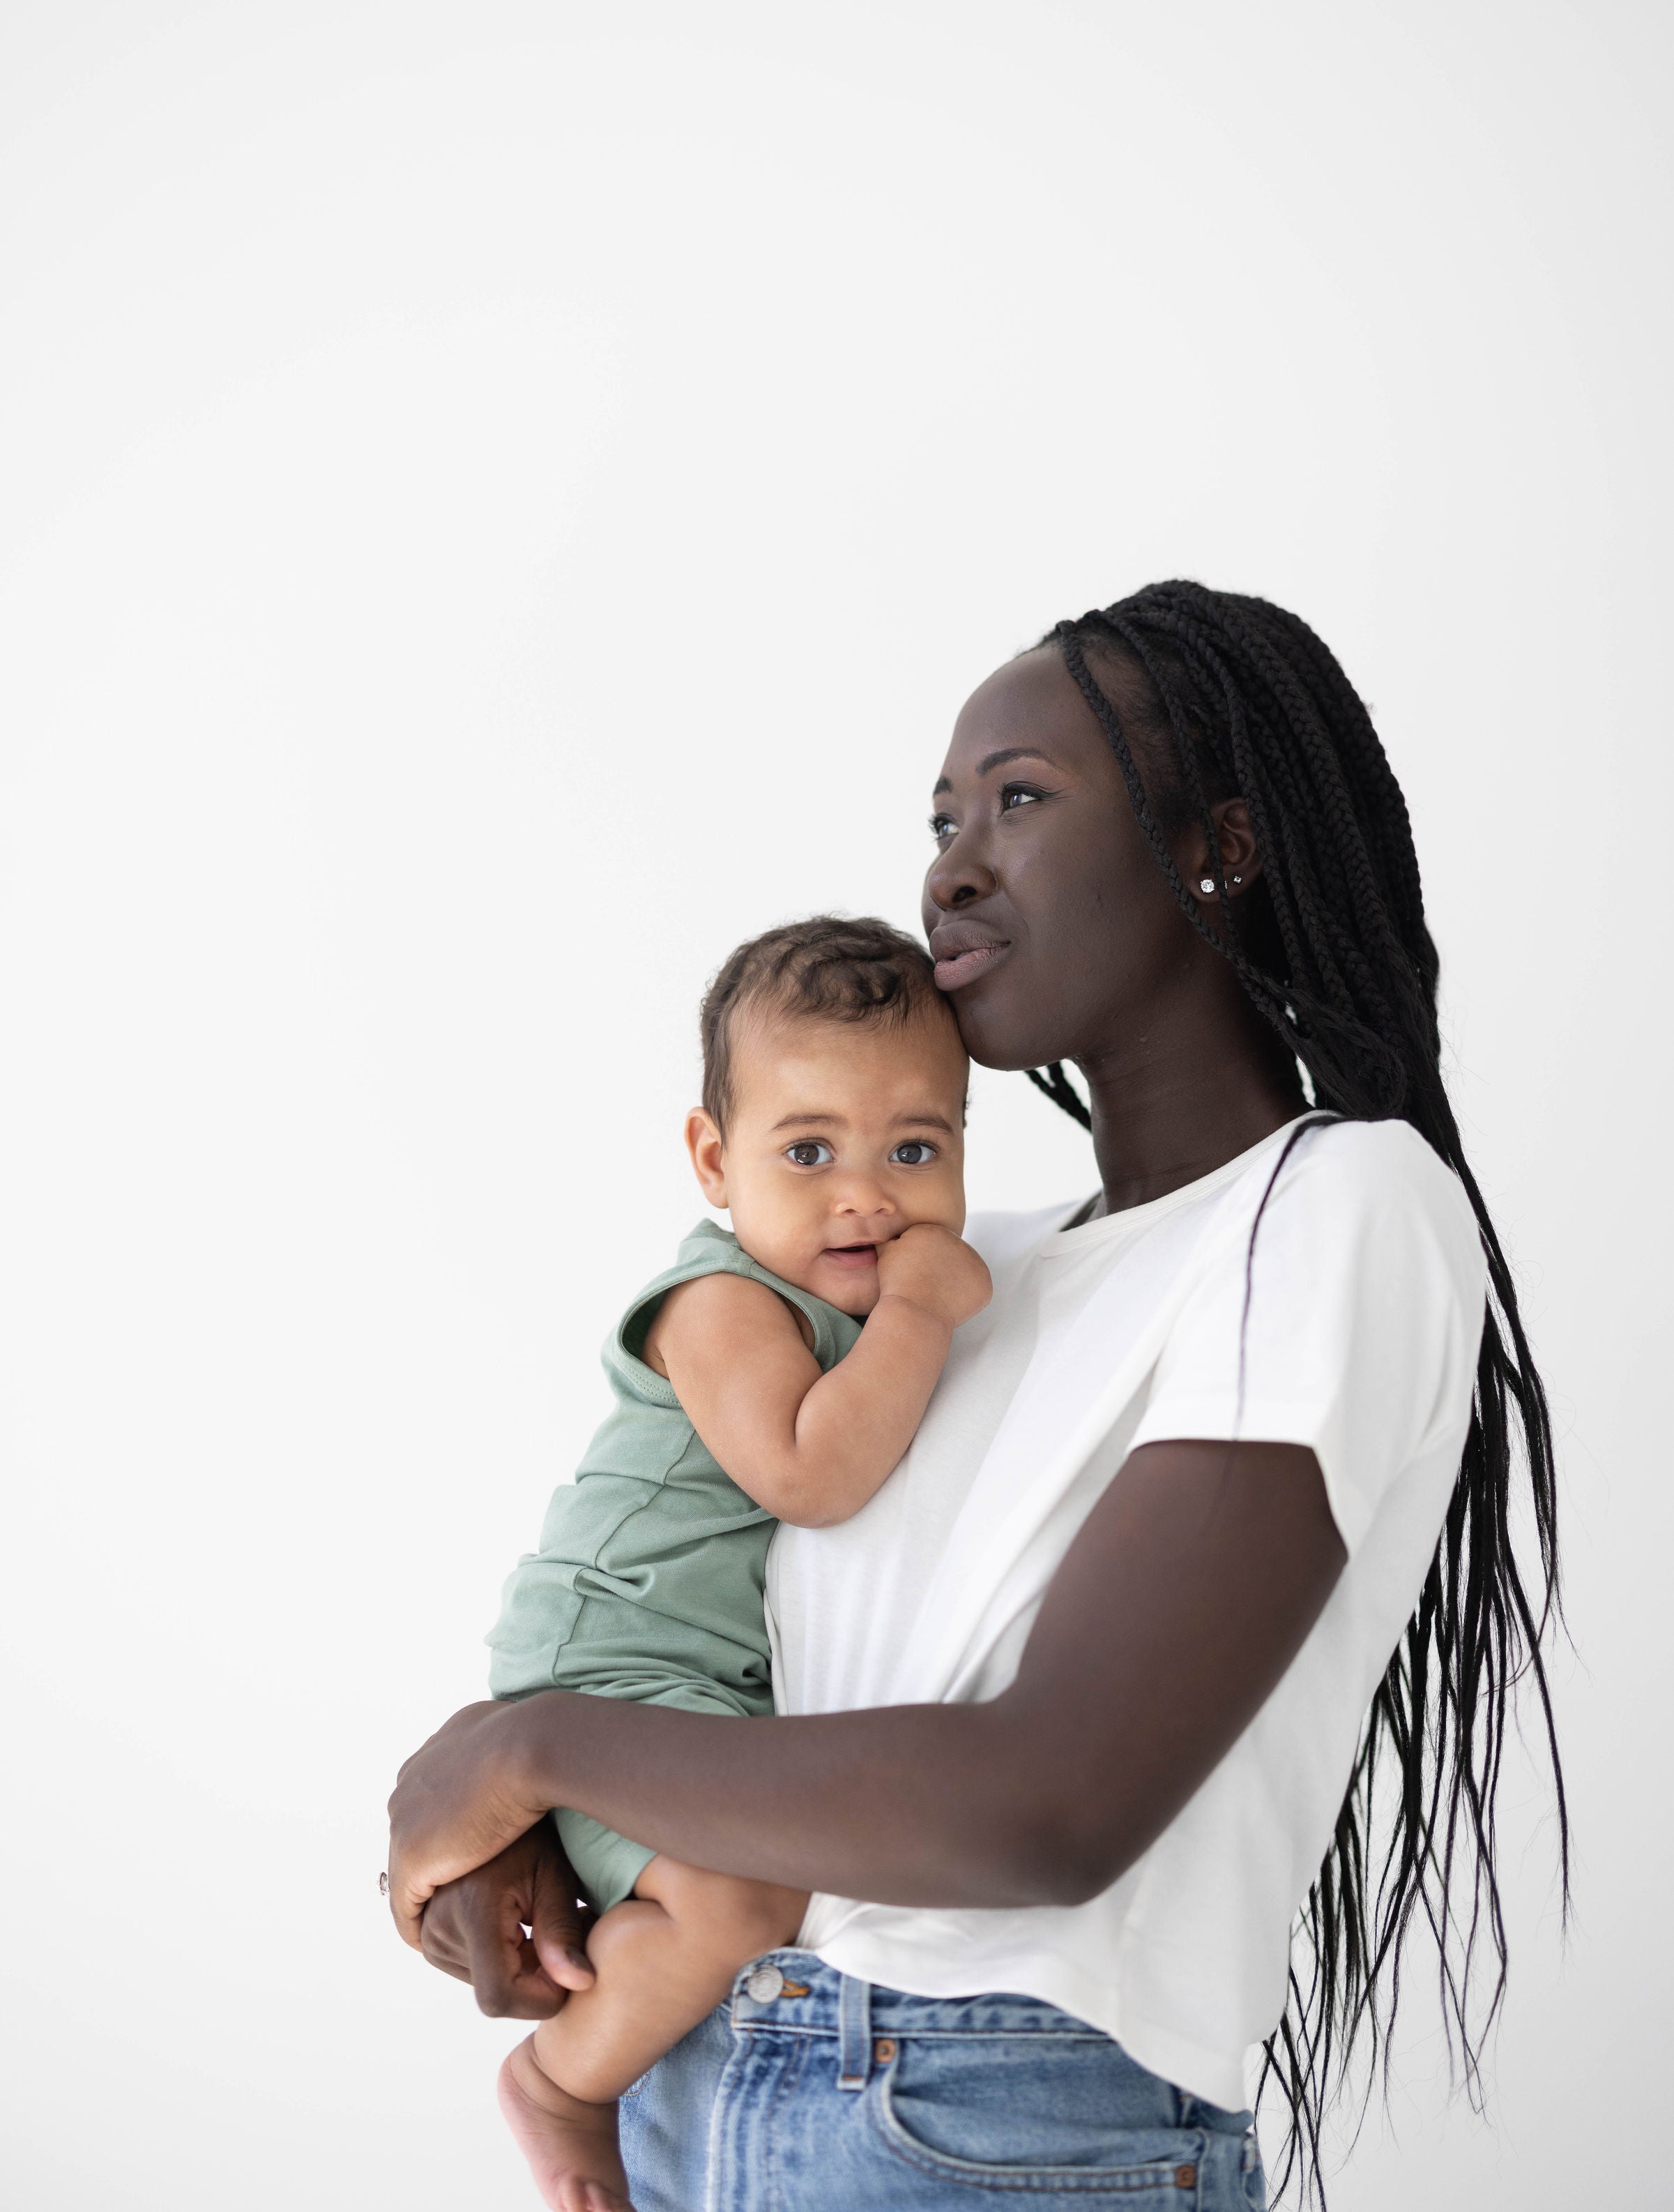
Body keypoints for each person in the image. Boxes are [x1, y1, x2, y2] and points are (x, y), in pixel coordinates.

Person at [388, 580, 1565, 2211]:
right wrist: (536, 1830)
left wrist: (533, 1748)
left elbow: (1049, 1806)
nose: (949, 868)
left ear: (1218, 846)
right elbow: (720, 1643)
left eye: (1018, 800)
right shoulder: (943, 1274)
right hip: (700, 2081)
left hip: (987, 2126)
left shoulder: (1333, 1209)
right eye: (941, 819)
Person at [486, 916, 989, 2209]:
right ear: (715, 1160)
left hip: (700, 1677)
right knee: (738, 1903)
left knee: (754, 1889)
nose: (865, 1196)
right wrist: (922, 1309)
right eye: (808, 1151)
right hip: (610, 1657)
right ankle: (560, 2084)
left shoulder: (854, 1302)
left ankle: (633, 1997)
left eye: (914, 1149)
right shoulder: (720, 1305)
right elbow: (810, 1476)